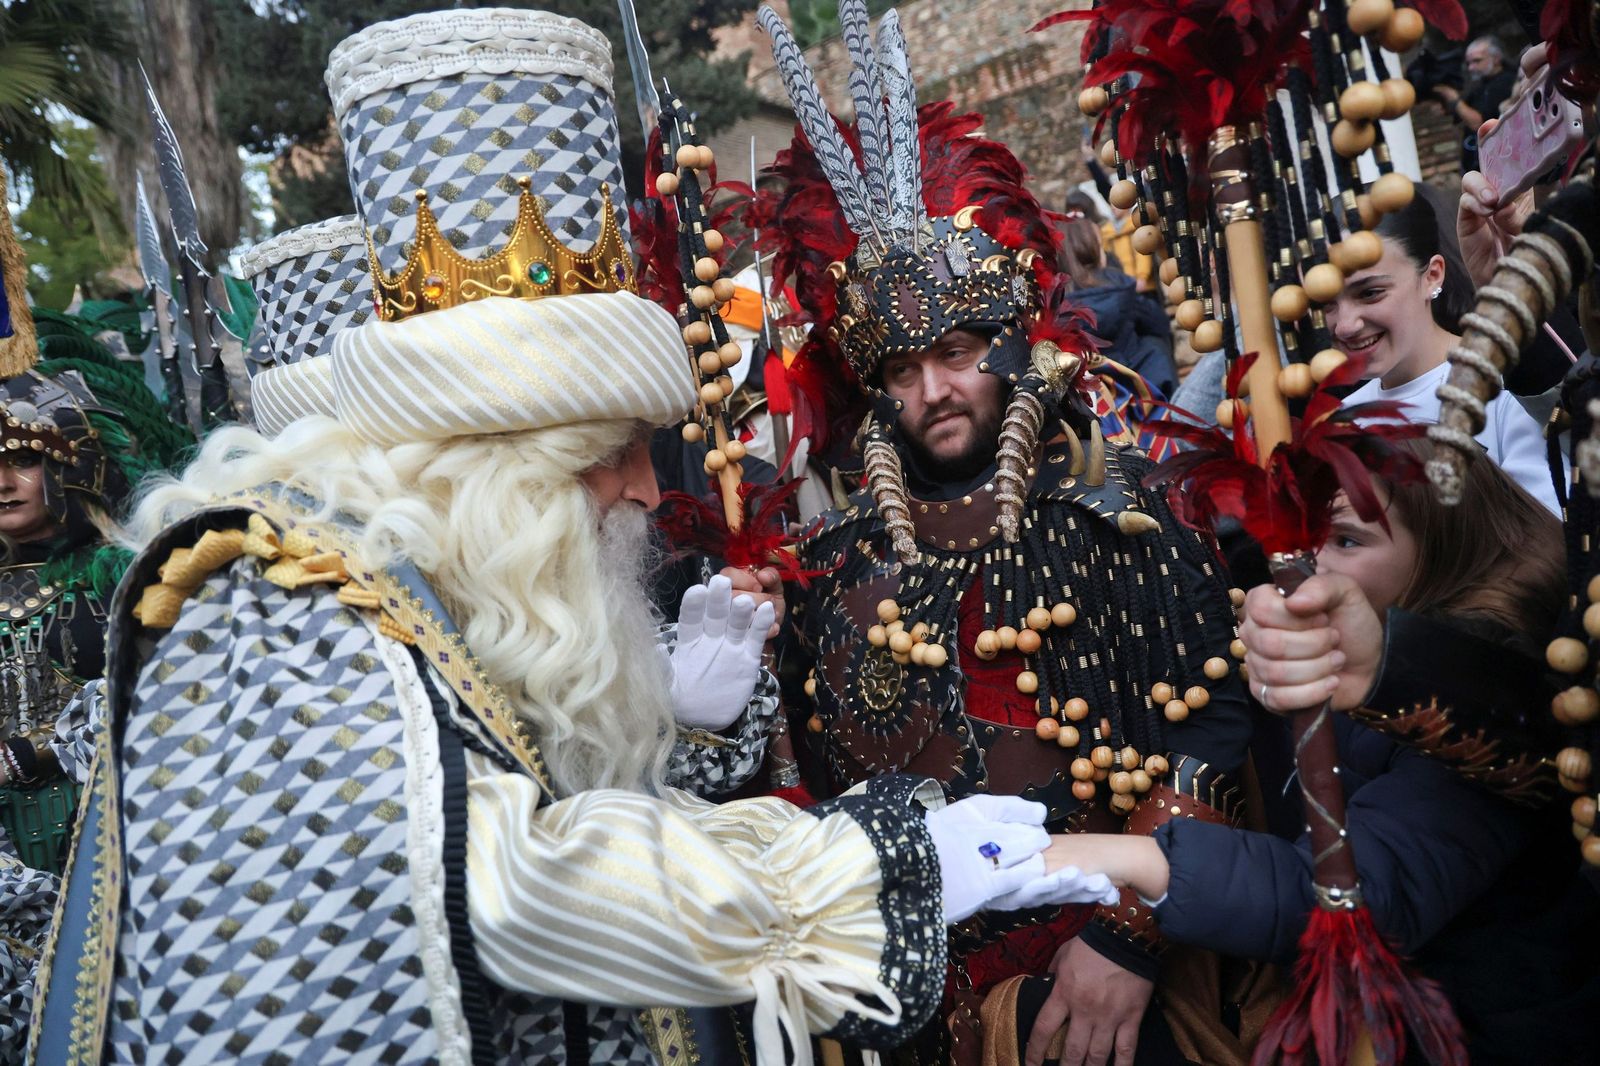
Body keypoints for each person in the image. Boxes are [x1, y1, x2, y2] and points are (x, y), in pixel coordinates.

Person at [30, 11, 1117, 1065]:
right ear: (494, 465)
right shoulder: (273, 602)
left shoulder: (420, 584)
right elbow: (505, 886)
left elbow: (541, 810)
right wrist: (873, 863)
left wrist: (690, 735)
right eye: (613, 453)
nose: (648, 490)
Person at [754, 4, 1253, 1063]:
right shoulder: (834, 564)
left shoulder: (1121, 510)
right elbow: (807, 783)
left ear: (1008, 343)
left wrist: (1128, 936)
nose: (934, 390)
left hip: (1115, 984)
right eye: (900, 369)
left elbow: (1212, 726)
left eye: (958, 351)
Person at [1049, 438, 1600, 1064]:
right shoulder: (1305, 632)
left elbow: (1355, 898)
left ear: (1444, 551)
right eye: (1299, 531)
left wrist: (1103, 859)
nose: (1302, 565)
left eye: (1346, 539)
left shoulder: (1483, 705)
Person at [0, 306, 193, 1065]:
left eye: (22, 456)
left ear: (71, 461)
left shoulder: (126, 576)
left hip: (107, 837)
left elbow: (149, 692)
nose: (2, 480)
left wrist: (34, 755)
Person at [1327, 190, 1561, 514]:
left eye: (1369, 293)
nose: (1345, 326)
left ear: (1432, 276)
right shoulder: (1340, 420)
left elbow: (1551, 540)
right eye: (1326, 303)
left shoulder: (1511, 392)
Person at [1057, 213, 1179, 399]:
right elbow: (1158, 324)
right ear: (1093, 250)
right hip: (1138, 385)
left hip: (1092, 395)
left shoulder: (1055, 301)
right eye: (1100, 246)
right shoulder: (1121, 288)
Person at [1433, 35, 1517, 173]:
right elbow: (1462, 113)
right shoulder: (1481, 85)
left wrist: (1453, 97)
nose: (1471, 67)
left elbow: (1478, 123)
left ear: (1496, 58)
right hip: (1478, 165)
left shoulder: (1506, 83)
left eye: (1477, 61)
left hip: (1497, 167)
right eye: (1469, 63)